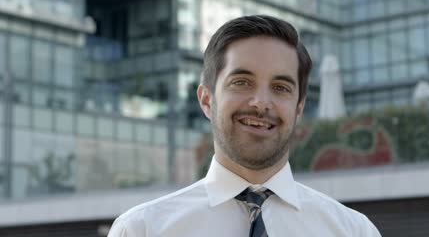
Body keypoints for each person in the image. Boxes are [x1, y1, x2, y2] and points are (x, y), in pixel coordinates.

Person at [108, 15, 381, 237]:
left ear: (299, 108)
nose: (261, 103)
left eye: (281, 87)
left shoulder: (354, 231)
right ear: (206, 100)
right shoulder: (141, 230)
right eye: (242, 82)